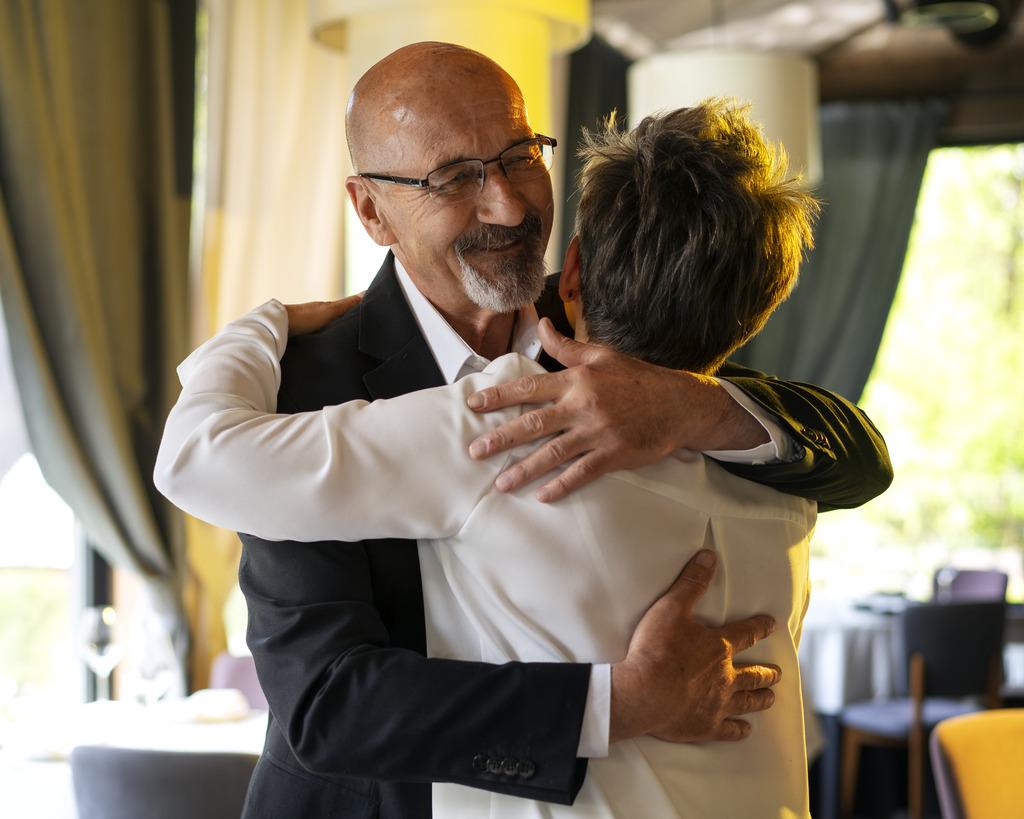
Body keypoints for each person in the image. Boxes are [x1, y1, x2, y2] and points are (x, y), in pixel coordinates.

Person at [157, 42, 891, 819]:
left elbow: (857, 457)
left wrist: (685, 408)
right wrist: (618, 703)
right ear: (371, 210)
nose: (508, 205)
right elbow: (328, 705)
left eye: (517, 156)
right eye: (454, 177)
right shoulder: (300, 386)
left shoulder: (610, 316)